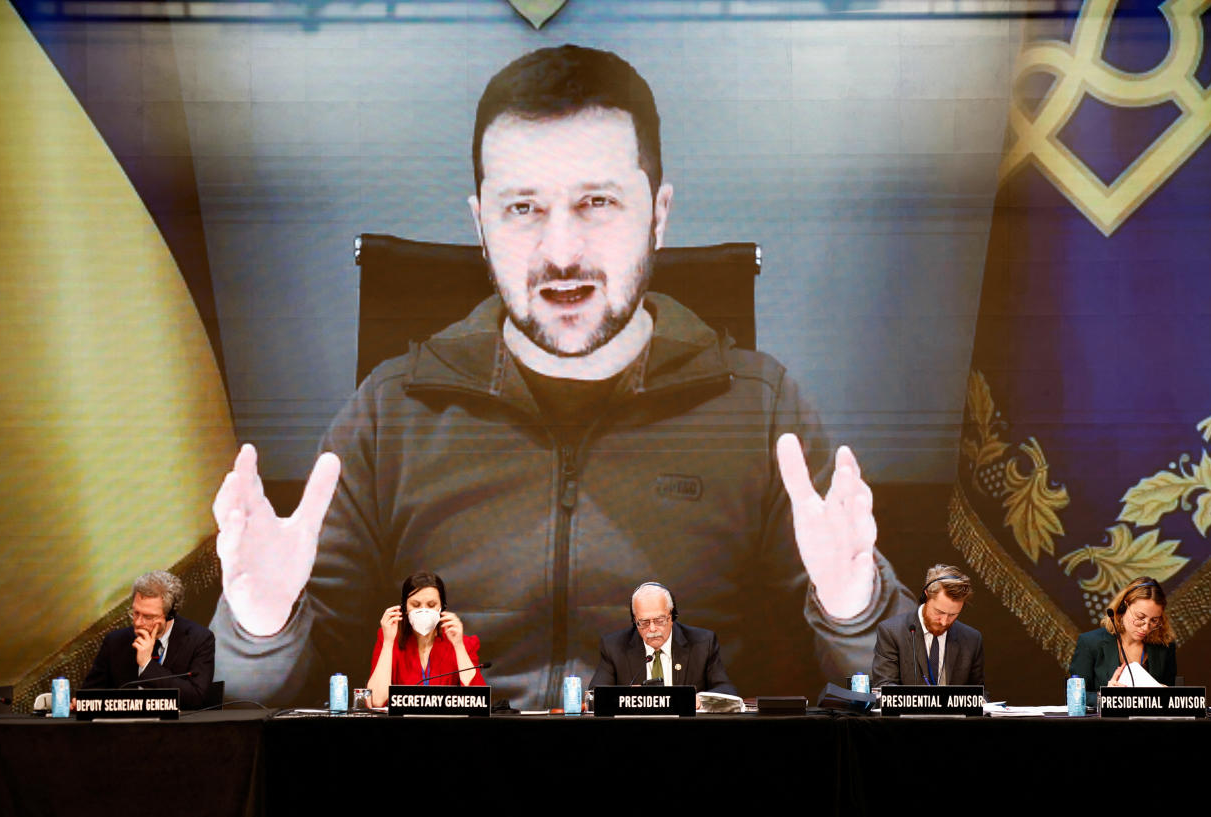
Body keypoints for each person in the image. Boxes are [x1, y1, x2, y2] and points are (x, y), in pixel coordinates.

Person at [211, 44, 914, 709]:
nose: (561, 252)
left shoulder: (760, 412)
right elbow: (255, 702)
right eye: (523, 208)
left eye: (597, 202)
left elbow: (903, 685)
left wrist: (854, 607)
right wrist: (261, 628)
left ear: (659, 216)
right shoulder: (387, 414)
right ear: (481, 225)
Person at [82, 570, 215, 709]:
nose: (138, 622)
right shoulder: (115, 642)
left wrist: (147, 665)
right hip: (124, 728)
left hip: (176, 728)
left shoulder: (199, 639)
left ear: (170, 615)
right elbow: (90, 695)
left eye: (148, 617)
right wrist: (80, 703)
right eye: (135, 613)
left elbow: (195, 698)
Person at [589, 582, 737, 707]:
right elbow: (594, 697)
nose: (652, 629)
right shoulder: (614, 647)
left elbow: (727, 691)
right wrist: (627, 697)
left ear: (672, 616)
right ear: (634, 620)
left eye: (659, 621)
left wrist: (699, 699)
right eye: (644, 622)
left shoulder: (702, 644)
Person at [366, 571, 486, 706]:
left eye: (431, 605)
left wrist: (458, 646)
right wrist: (388, 643)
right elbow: (376, 700)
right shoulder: (389, 639)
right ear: (404, 607)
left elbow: (478, 701)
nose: (423, 610)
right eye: (416, 605)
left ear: (442, 607)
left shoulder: (463, 643)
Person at [1068, 576, 1177, 707]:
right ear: (1123, 606)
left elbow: (1172, 697)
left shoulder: (1165, 646)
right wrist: (1104, 696)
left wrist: (1169, 695)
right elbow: (1076, 696)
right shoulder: (1090, 643)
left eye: (1154, 620)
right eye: (1140, 617)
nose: (1146, 627)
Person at [871, 564, 983, 687]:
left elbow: (978, 691)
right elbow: (885, 685)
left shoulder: (971, 639)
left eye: (953, 615)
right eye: (939, 612)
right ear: (926, 596)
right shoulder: (892, 632)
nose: (944, 621)